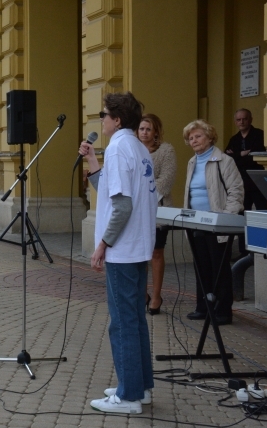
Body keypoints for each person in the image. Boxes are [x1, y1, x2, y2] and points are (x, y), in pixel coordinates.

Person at [79, 92, 156, 415]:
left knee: (122, 322)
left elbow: (122, 207)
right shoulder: (138, 148)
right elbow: (113, 192)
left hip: (123, 249)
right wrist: (92, 162)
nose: (101, 119)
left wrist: (103, 244)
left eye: (104, 114)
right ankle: (140, 386)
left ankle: (128, 397)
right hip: (138, 246)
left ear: (117, 119)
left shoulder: (119, 147)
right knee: (135, 319)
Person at [183, 120, 244, 326]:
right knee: (201, 266)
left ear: (209, 137)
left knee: (219, 268)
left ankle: (223, 311)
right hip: (196, 222)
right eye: (191, 138)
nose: (193, 141)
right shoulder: (192, 162)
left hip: (217, 223)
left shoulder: (224, 160)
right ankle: (204, 307)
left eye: (198, 136)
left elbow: (236, 192)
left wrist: (225, 218)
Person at [137, 114, 177, 315]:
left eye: (148, 129)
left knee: (156, 252)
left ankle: (156, 295)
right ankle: (142, 293)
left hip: (158, 209)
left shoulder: (166, 150)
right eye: (141, 129)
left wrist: (146, 195)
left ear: (156, 132)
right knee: (140, 254)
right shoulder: (133, 149)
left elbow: (166, 179)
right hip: (136, 210)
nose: (144, 133)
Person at [225, 109, 266, 212]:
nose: (241, 122)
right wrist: (241, 154)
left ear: (251, 120)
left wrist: (235, 156)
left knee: (263, 212)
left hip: (258, 182)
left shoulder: (260, 135)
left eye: (244, 119)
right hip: (241, 183)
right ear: (235, 122)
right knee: (241, 213)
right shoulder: (234, 139)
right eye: (238, 120)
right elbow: (227, 158)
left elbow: (256, 158)